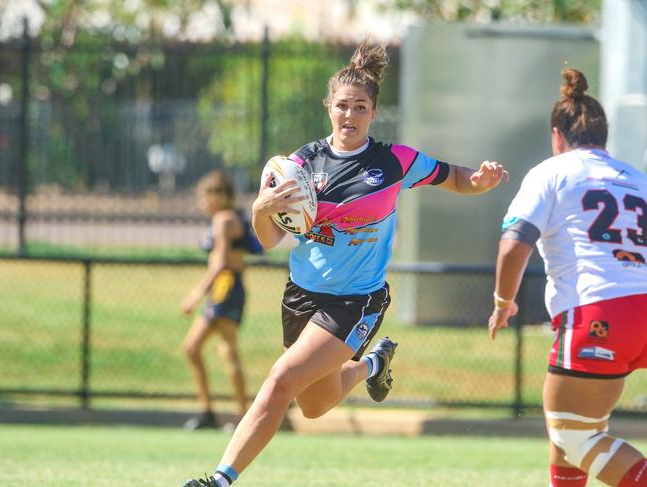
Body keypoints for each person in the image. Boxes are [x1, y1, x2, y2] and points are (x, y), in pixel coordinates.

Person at [183, 40, 508, 487]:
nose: (350, 115)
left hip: (356, 300)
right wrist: (261, 207)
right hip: (301, 295)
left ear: (374, 112)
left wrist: (481, 181)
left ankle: (219, 479)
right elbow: (271, 237)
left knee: (280, 379)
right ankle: (373, 365)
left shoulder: (395, 162)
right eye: (342, 106)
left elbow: (454, 177)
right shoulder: (300, 164)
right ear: (328, 108)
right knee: (314, 405)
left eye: (360, 107)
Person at [488, 69, 647, 487]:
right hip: (640, 307)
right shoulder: (637, 180)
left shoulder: (552, 172)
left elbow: (513, 243)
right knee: (570, 431)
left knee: (574, 436)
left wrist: (504, 303)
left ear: (557, 135)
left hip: (600, 311)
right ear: (604, 137)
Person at [180, 170, 262, 430]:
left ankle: (242, 416)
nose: (201, 203)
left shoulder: (224, 220)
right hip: (223, 289)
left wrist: (196, 294)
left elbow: (221, 261)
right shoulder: (228, 218)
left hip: (226, 288)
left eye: (204, 197)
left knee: (227, 351)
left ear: (220, 195)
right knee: (192, 348)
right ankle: (208, 412)